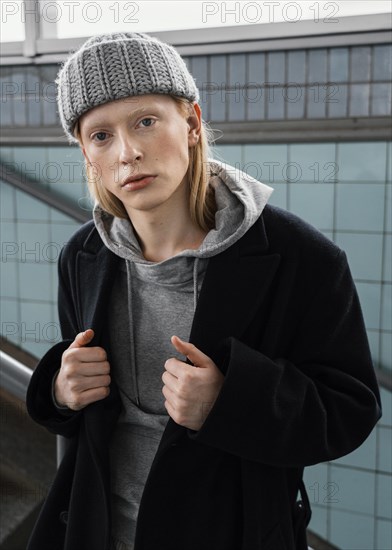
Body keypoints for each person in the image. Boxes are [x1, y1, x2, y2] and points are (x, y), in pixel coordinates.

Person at [26, 32, 381, 550]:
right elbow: (82, 400)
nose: (127, 153)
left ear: (191, 122)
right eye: (101, 135)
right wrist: (59, 391)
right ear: (86, 151)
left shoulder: (301, 257)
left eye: (146, 121)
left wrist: (230, 400)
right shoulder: (83, 256)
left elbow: (350, 411)